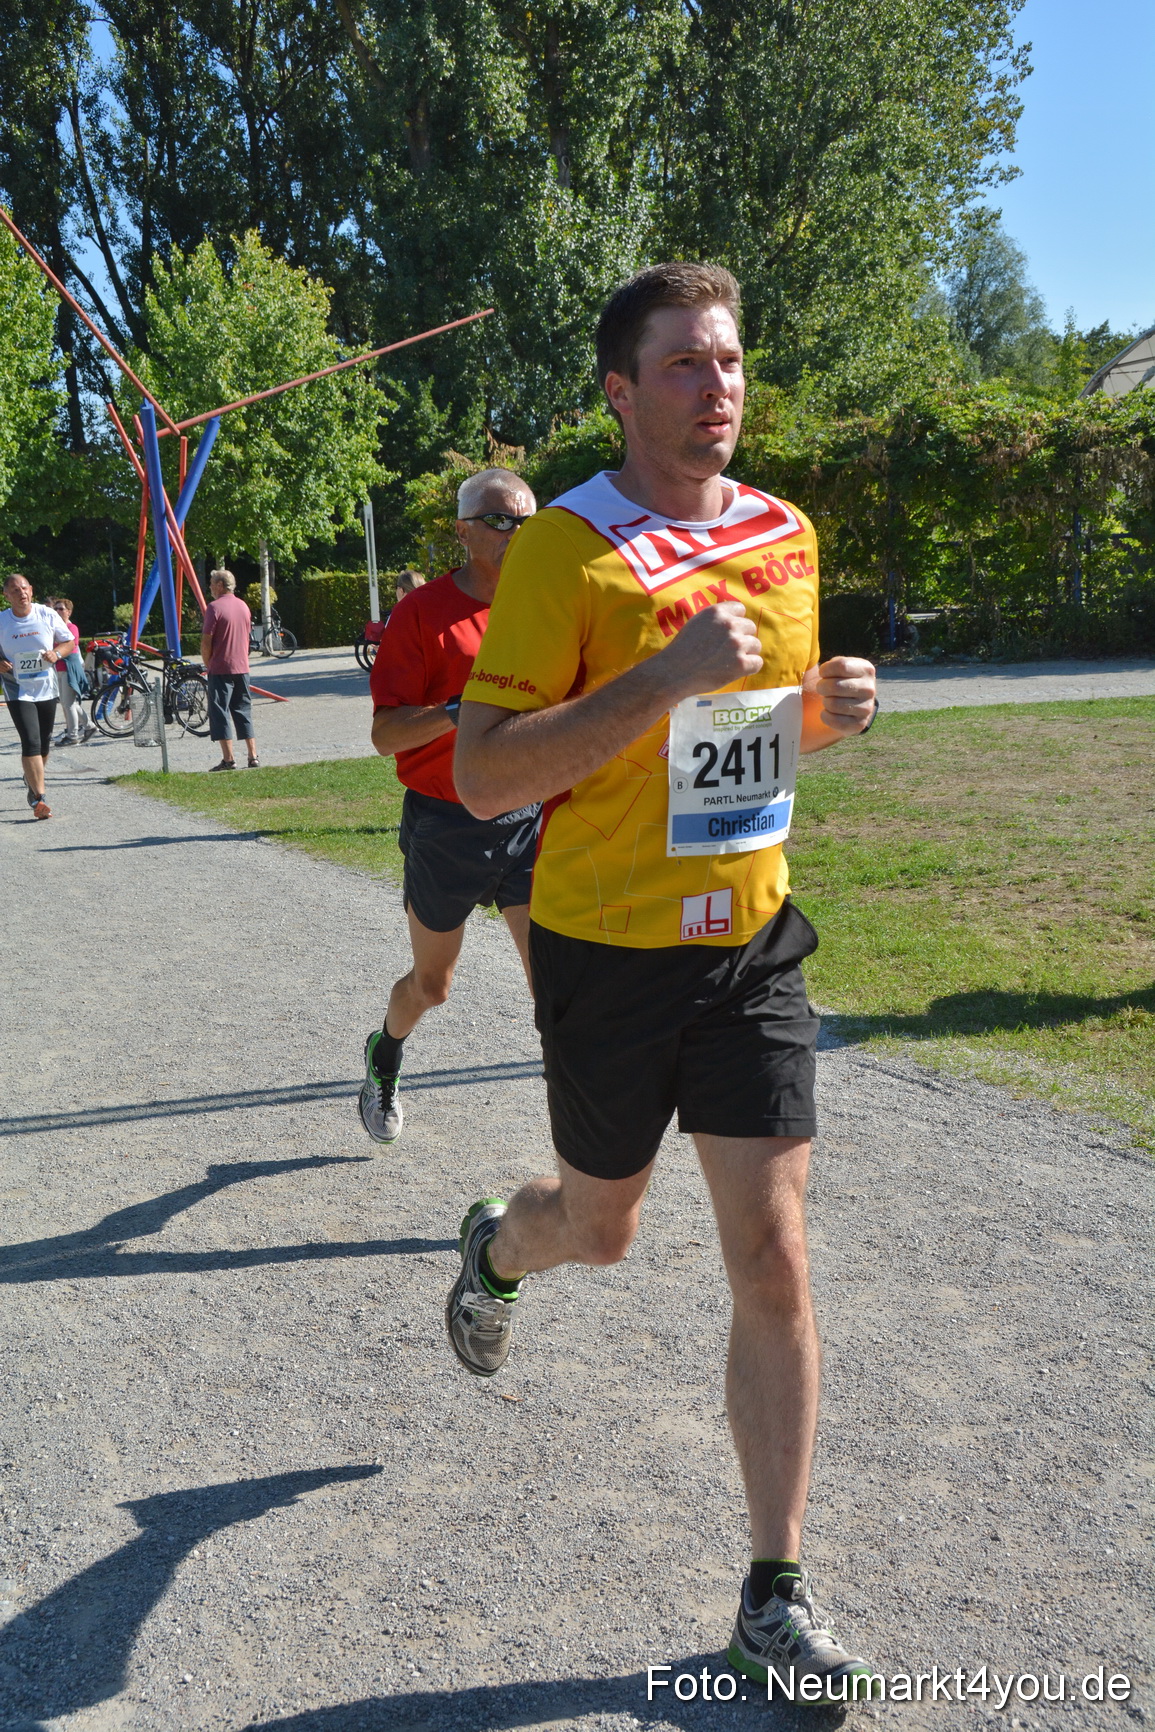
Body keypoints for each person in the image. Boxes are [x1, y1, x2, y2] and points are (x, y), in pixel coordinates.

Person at [448, 264, 880, 1698]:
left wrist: (825, 715)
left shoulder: (785, 532)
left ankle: (772, 1588)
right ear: (619, 393)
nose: (719, 387)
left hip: (747, 943)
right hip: (606, 953)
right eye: (685, 365)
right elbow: (485, 769)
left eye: (731, 359)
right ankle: (500, 1250)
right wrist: (663, 675)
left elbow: (758, 743)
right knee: (600, 1229)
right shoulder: (565, 553)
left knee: (771, 1253)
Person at [359, 469, 539, 1146]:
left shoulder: (548, 604)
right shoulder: (421, 614)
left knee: (554, 992)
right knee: (432, 986)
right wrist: (461, 712)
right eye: (500, 520)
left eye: (527, 519)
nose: (516, 532)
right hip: (446, 822)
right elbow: (384, 735)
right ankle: (385, 1051)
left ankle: (581, 1167)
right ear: (463, 531)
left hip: (530, 819)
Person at [0, 573, 75, 819]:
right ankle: (39, 798)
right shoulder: (2, 621)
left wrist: (56, 654)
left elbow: (69, 642)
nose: (20, 593)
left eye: (24, 588)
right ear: (6, 595)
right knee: (30, 740)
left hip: (46, 686)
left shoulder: (47, 614)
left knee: (44, 742)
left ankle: (31, 778)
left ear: (31, 590)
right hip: (17, 689)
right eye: (14, 590)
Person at [200, 569, 259, 770]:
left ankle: (228, 759)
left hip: (220, 667)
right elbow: (248, 638)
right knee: (243, 710)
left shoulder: (214, 608)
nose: (209, 587)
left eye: (211, 583)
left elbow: (206, 641)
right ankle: (253, 756)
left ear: (219, 585)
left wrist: (209, 664)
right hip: (242, 667)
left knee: (220, 712)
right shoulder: (243, 606)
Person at [47, 596, 95, 746]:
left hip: (69, 668)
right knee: (68, 702)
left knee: (68, 703)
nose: (57, 611)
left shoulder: (71, 628)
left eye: (61, 609)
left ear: (69, 612)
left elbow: (70, 645)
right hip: (59, 668)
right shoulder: (55, 628)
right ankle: (89, 726)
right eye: (56, 609)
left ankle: (73, 735)